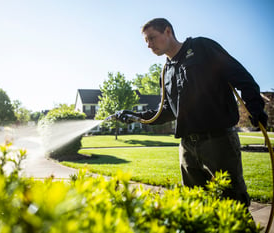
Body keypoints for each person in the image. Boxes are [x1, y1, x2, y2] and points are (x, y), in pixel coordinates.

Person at [115, 18, 268, 207]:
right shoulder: (166, 71)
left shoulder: (202, 47)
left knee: (232, 204)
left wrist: (255, 107)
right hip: (187, 147)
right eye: (146, 42)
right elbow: (167, 111)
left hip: (218, 142)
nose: (149, 45)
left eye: (152, 38)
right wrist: (135, 116)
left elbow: (241, 77)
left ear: (168, 31)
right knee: (195, 206)